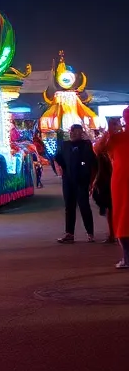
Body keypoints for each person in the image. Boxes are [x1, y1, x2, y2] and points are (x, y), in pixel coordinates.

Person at [94, 113, 129, 267]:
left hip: (121, 181)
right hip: (121, 183)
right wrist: (109, 132)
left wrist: (110, 132)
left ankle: (127, 258)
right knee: (123, 216)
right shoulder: (116, 137)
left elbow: (97, 148)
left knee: (123, 217)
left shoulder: (116, 137)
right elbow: (97, 149)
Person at [55, 123, 97, 243]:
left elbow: (93, 162)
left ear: (82, 132)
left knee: (84, 206)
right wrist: (61, 169)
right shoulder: (65, 145)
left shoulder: (86, 145)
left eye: (78, 131)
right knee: (69, 207)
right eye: (73, 131)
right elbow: (58, 158)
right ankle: (69, 234)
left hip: (82, 181)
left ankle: (90, 233)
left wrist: (91, 180)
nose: (74, 134)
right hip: (68, 180)